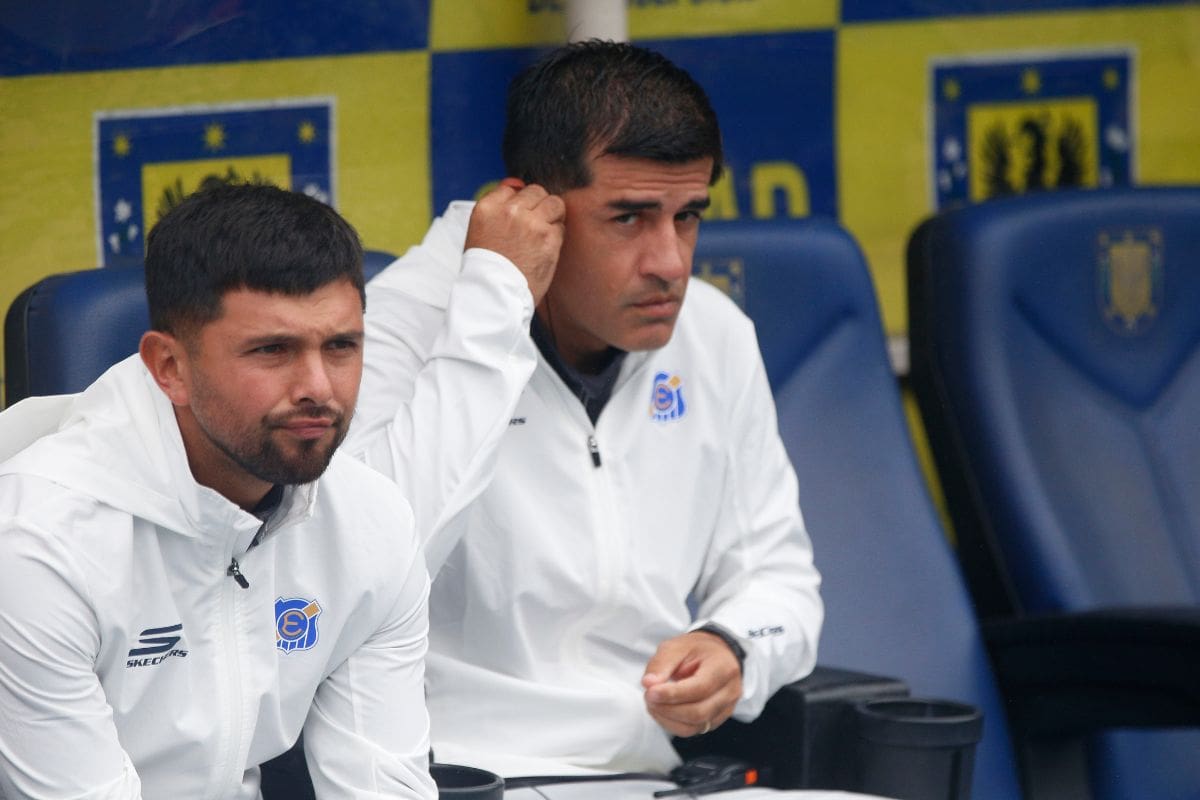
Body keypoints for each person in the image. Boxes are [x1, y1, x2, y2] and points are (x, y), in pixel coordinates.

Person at [345, 40, 823, 778]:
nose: (669, 262)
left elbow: (780, 575)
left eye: (688, 216)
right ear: (531, 209)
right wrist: (491, 308)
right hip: (452, 776)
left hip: (651, 772)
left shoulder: (713, 331)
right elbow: (368, 580)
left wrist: (735, 645)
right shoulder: (394, 328)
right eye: (629, 218)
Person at [0, 183, 456, 798]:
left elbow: (384, 786)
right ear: (170, 368)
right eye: (273, 350)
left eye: (341, 346)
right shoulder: (35, 545)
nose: (319, 387)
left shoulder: (371, 518)